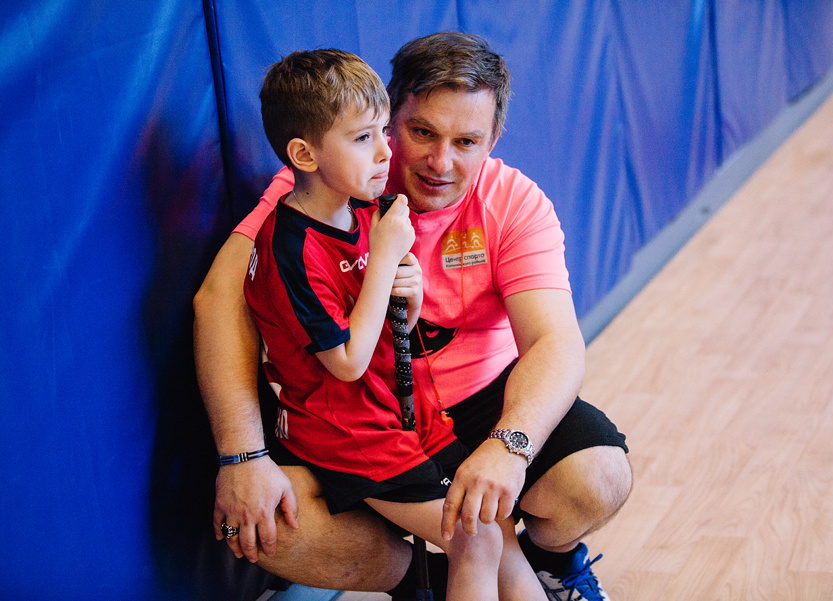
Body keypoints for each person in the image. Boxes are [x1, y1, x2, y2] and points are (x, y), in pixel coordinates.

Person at [194, 32, 632, 601]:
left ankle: (556, 559)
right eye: (421, 132)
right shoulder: (324, 185)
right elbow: (218, 302)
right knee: (260, 524)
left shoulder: (514, 203)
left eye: (466, 141)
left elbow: (555, 342)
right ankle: (420, 580)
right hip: (353, 417)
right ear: (390, 116)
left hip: (464, 406)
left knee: (591, 479)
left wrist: (509, 446)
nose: (439, 162)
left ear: (493, 139)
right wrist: (243, 455)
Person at [240, 47, 546, 601]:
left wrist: (409, 293)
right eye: (364, 139)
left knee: (488, 526)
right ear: (304, 154)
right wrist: (384, 259)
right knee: (474, 538)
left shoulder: (358, 207)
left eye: (384, 131)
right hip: (348, 431)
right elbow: (348, 361)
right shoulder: (289, 245)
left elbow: (384, 322)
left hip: (398, 409)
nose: (388, 153)